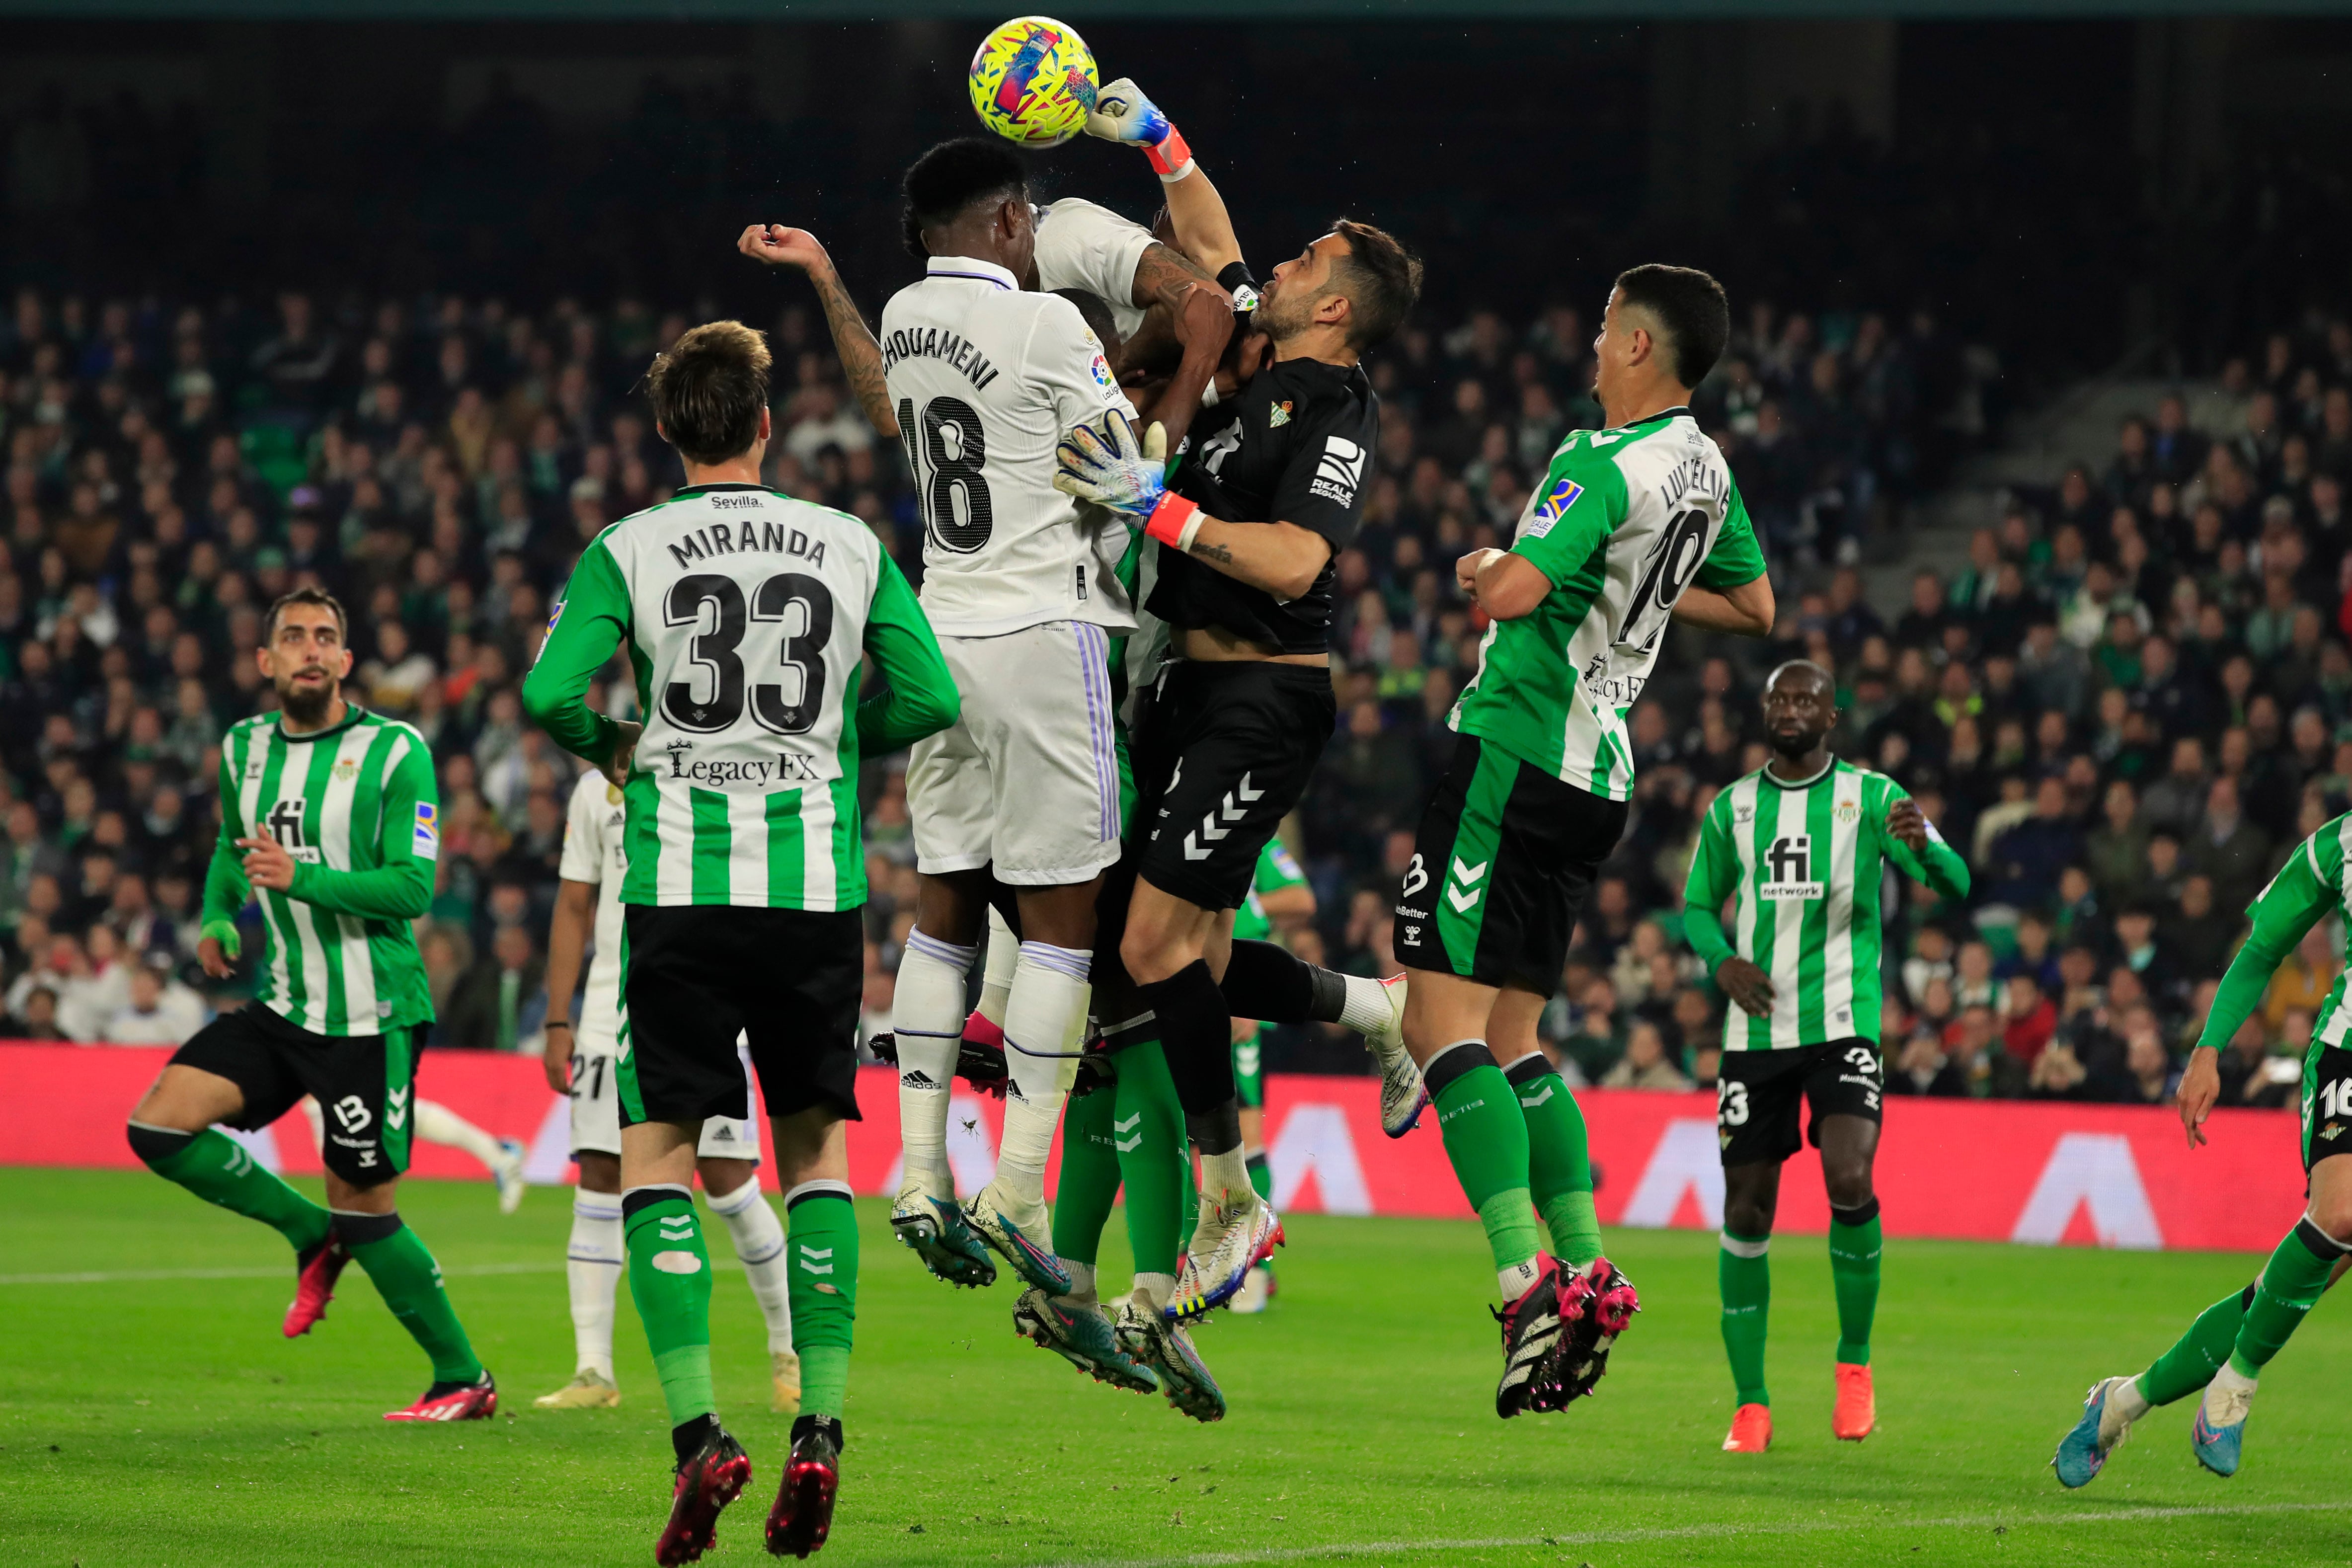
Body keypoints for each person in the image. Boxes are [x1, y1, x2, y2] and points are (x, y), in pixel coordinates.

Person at [747, 136, 1230, 1302]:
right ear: (1012, 221)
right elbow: (1129, 462)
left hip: (940, 633)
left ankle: (914, 1173)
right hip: (1040, 630)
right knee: (1064, 922)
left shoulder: (910, 315)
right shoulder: (1045, 325)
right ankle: (1014, 1187)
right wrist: (1178, 375)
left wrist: (824, 280)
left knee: (944, 911)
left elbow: (879, 400)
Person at [522, 320, 959, 1562]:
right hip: (812, 891)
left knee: (657, 1150)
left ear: (669, 432)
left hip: (676, 888)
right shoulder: (850, 542)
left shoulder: (628, 545)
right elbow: (930, 696)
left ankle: (699, 1432)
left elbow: (548, 692)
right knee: (814, 1148)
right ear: (767, 421)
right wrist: (825, 746)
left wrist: (626, 750)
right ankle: (818, 1420)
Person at [1384, 264, 1774, 1419]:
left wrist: (1484, 570)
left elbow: (1509, 595)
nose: (1593, 341)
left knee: (1434, 1021)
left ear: (1642, 346)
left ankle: (1524, 1284)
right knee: (1515, 1033)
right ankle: (1587, 1259)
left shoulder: (1596, 463)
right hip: (1597, 773)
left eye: (1607, 325)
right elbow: (1753, 607)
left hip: (1513, 747)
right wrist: (1631, 597)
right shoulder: (1706, 469)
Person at [1055, 186, 1427, 1320]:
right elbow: (1211, 248)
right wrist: (1155, 137)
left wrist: (1156, 509)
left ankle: (1233, 1198)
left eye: (1315, 251)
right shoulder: (1264, 352)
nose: (1294, 249)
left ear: (1337, 306)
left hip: (1263, 700)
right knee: (1182, 961)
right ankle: (1375, 1010)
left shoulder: (1337, 406)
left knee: (1154, 941)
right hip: (1186, 692)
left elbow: (1298, 561)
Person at [123, 586, 495, 1422]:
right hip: (285, 1003)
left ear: (347, 661)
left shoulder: (398, 752)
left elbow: (412, 885)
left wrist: (305, 879)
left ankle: (462, 1376)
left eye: (326, 637)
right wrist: (220, 913)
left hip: (374, 1012)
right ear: (266, 661)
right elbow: (233, 846)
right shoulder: (242, 748)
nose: (310, 649)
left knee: (367, 1209)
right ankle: (307, 1232)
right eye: (292, 637)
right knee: (156, 1125)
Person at [1682, 659, 1970, 1455]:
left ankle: (1853, 1365)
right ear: (1764, 709)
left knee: (1848, 1176)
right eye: (1779, 696)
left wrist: (1930, 851)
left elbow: (1953, 881)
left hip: (1843, 1024)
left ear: (1831, 718)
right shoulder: (1732, 808)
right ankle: (1750, 1402)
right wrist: (1719, 961)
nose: (1790, 708)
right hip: (1753, 1037)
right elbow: (1697, 905)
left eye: (1806, 699)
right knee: (1746, 1213)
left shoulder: (1874, 799)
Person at [2052, 808, 2352, 1487]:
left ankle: (2121, 1401)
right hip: (2348, 1054)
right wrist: (2208, 1050)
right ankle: (2231, 1392)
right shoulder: (2335, 846)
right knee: (2338, 1218)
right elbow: (2260, 952)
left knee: (2283, 1292)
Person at [534, 764, 805, 1416]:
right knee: (599, 1175)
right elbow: (575, 903)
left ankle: (788, 1351)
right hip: (607, 1013)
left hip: (703, 1003)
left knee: (728, 1178)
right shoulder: (600, 784)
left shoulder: (722, 760)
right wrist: (556, 1018)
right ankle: (592, 1369)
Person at [1226, 836, 1315, 1314]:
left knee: (1246, 1132)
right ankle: (1189, 1260)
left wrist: (1244, 897)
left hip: (1240, 998)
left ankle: (1257, 1266)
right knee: (1193, 1136)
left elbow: (1302, 899)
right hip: (1188, 991)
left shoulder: (1256, 836)